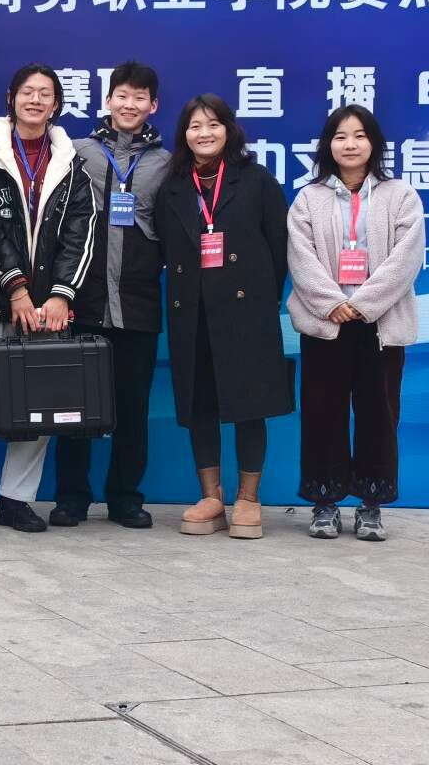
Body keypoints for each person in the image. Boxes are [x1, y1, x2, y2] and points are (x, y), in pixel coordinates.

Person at [0, 64, 95, 532]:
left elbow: (80, 235)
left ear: (56, 104)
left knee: (40, 402)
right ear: (10, 98)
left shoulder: (72, 165)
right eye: (28, 92)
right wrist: (14, 286)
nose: (35, 100)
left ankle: (17, 499)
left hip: (49, 308)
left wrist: (60, 295)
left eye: (45, 94)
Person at [155, 94, 291, 540]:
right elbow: (165, 246)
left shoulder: (255, 179)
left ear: (229, 130)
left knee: (250, 404)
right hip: (191, 313)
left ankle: (248, 499)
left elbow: (279, 248)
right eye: (195, 126)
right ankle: (211, 498)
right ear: (184, 134)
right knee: (201, 405)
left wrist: (262, 299)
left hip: (246, 311)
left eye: (213, 124)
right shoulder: (173, 185)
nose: (204, 133)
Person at [287, 105, 424, 541]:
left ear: (374, 143)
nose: (350, 144)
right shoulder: (308, 198)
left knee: (378, 416)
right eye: (340, 136)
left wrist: (363, 304)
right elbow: (300, 258)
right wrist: (332, 303)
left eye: (360, 135)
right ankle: (325, 504)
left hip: (380, 325)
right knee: (322, 414)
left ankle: (371, 505)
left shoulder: (400, 195)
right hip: (326, 325)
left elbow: (406, 259)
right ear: (328, 144)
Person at [52, 61, 171, 529]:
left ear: (153, 105)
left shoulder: (166, 162)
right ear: (108, 100)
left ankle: (125, 497)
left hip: (138, 304)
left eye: (140, 97)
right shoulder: (77, 151)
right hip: (82, 301)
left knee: (133, 407)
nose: (130, 104)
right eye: (122, 95)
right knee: (72, 406)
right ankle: (71, 497)